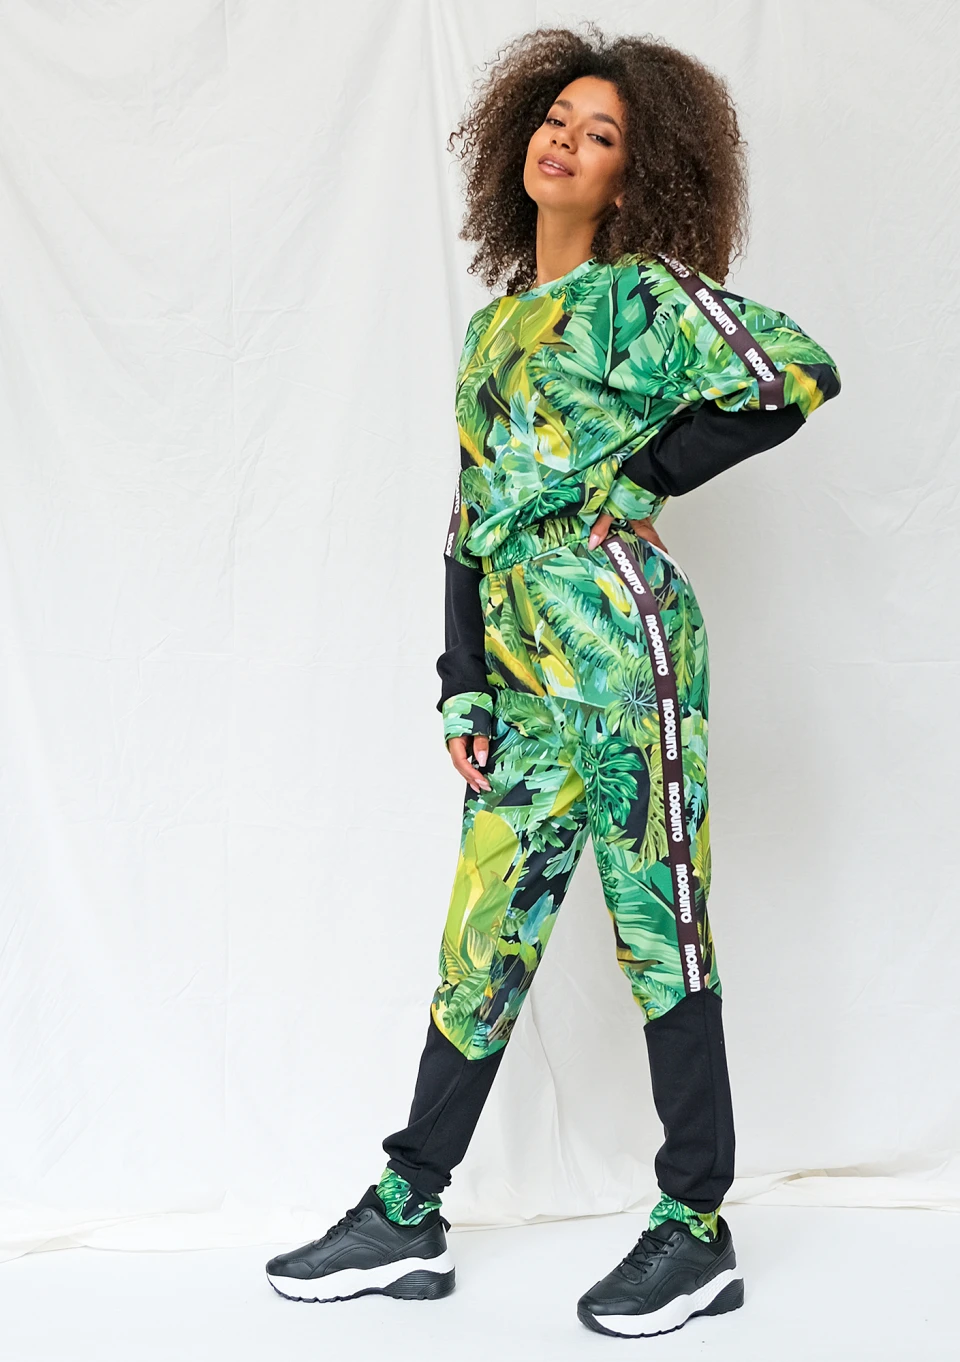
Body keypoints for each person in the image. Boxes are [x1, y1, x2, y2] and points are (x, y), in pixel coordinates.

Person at [264, 25, 841, 1339]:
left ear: (639, 175)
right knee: (483, 940)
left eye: (601, 133)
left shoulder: (646, 298)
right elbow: (471, 518)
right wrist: (461, 683)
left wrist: (643, 477)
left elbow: (794, 371)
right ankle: (407, 1210)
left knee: (661, 929)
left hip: (630, 664)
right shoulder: (494, 331)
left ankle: (695, 1228)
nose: (565, 142)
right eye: (555, 119)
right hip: (521, 689)